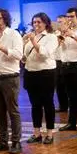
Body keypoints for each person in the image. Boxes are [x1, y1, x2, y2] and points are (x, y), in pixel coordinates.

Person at [0, 8, 25, 154]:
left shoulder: (14, 34)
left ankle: (16, 141)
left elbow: (19, 55)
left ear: (5, 19)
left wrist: (0, 46)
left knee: (13, 110)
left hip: (9, 77)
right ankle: (2, 141)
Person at [22, 13, 59, 144]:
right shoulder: (32, 37)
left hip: (46, 73)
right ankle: (36, 133)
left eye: (39, 22)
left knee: (48, 103)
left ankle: (49, 133)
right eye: (34, 22)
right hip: (31, 72)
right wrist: (24, 42)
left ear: (45, 23)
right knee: (35, 105)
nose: (36, 25)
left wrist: (32, 41)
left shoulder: (51, 37)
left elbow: (45, 54)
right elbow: (25, 55)